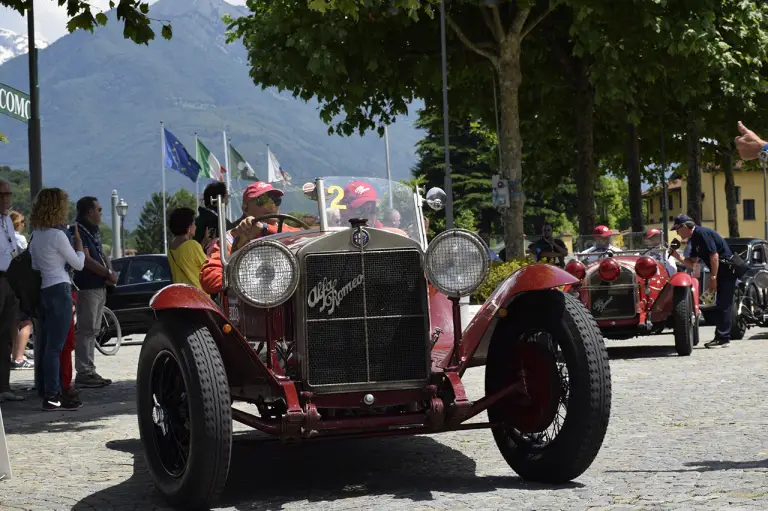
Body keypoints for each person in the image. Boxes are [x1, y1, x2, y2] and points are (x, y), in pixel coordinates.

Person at [29, 188, 85, 410]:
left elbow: (34, 265)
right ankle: (53, 395)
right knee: (56, 347)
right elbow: (78, 264)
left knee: (47, 346)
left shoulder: (36, 234)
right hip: (60, 287)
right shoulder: (58, 235)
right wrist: (80, 248)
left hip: (44, 290)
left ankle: (48, 390)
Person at [200, 181, 301, 294]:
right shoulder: (230, 238)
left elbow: (306, 239)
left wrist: (264, 228)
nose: (272, 204)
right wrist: (238, 250)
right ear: (245, 208)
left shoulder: (290, 232)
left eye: (276, 199)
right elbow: (209, 279)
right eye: (263, 200)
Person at [668, 214, 735, 348]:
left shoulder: (701, 233)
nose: (677, 233)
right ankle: (722, 337)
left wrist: (713, 278)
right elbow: (692, 263)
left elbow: (714, 256)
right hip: (720, 271)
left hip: (726, 270)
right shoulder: (695, 239)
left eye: (678, 229)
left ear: (686, 227)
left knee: (724, 304)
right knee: (720, 304)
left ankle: (723, 338)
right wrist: (676, 256)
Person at [70, 196, 115, 388]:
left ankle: (90, 369)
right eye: (99, 209)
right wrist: (106, 272)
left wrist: (110, 271)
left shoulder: (93, 230)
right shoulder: (78, 229)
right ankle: (83, 371)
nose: (100, 213)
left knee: (93, 330)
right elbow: (86, 259)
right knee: (86, 329)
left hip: (99, 285)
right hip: (87, 286)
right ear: (90, 211)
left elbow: (102, 253)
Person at [0, 179, 23, 403]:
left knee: (7, 333)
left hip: (9, 278)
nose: (6, 198)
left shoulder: (7, 220)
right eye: (2, 194)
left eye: (8, 194)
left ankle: (4, 385)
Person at [8, 210, 33, 370]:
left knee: (13, 321)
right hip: (20, 282)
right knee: (26, 322)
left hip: (8, 280)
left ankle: (13, 353)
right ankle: (19, 357)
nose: (24, 225)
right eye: (23, 221)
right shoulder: (20, 239)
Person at [168, 207, 208, 290]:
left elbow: (188, 260)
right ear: (189, 227)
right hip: (198, 295)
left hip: (182, 294)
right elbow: (207, 268)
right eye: (194, 223)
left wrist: (203, 243)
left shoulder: (171, 246)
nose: (196, 226)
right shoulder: (192, 245)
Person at [194, 182, 233, 251]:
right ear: (219, 199)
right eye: (227, 196)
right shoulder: (221, 223)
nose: (228, 201)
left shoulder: (196, 222)